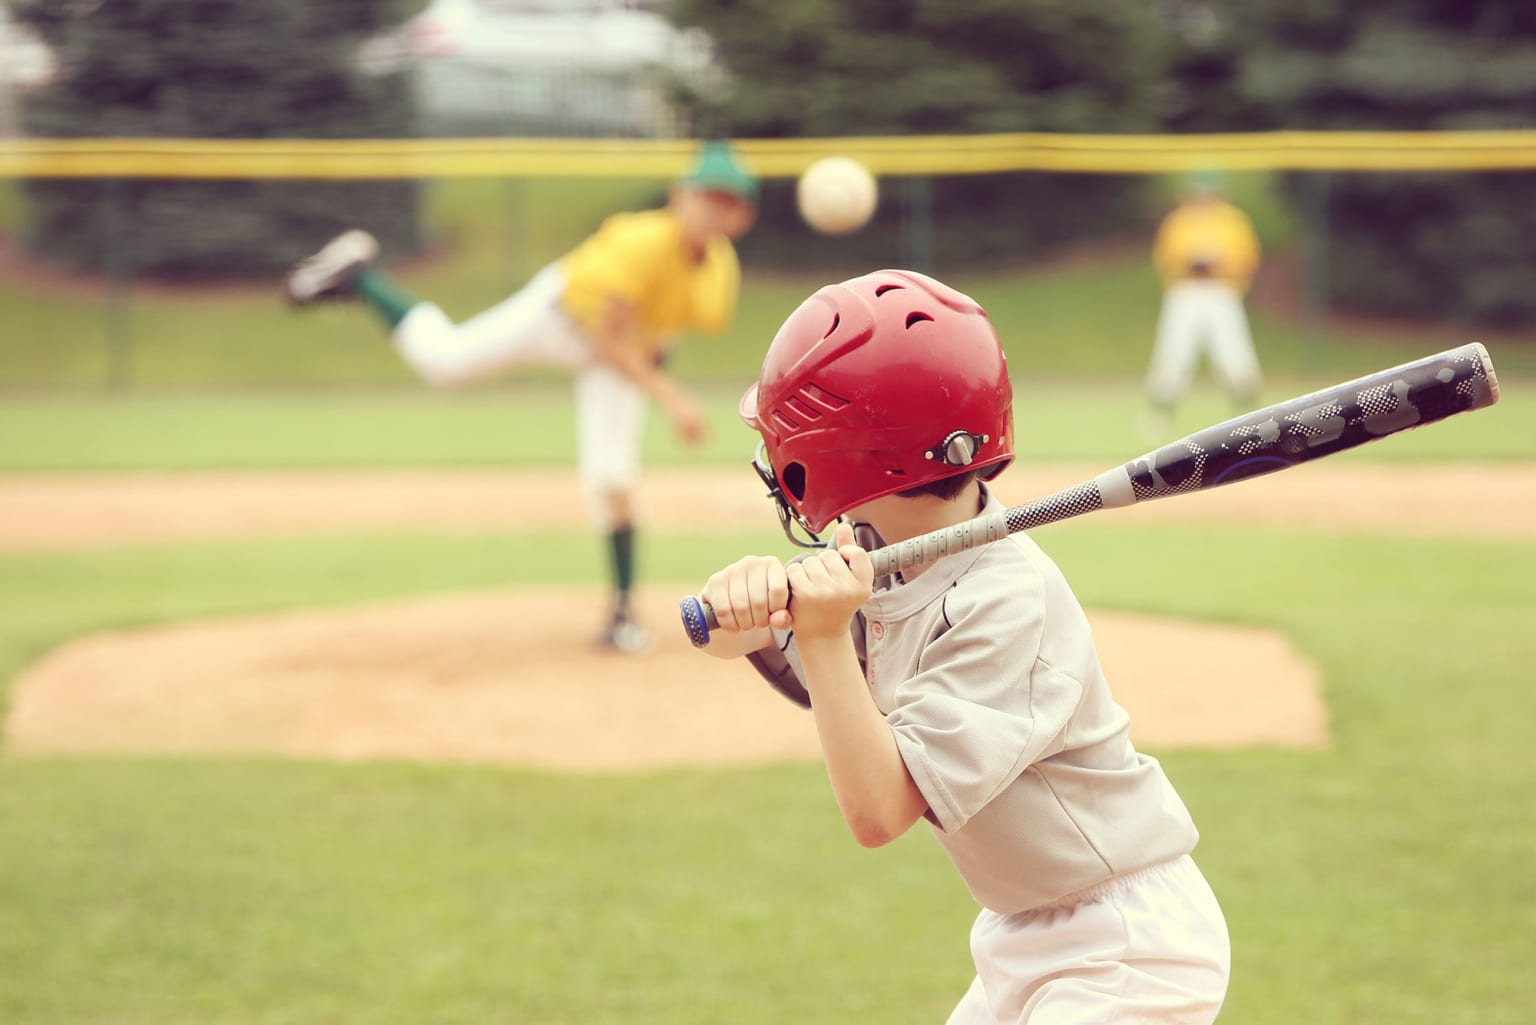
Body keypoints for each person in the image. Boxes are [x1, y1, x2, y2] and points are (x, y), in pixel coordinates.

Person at [696, 269, 1230, 1024]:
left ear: (846, 455)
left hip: (1125, 946)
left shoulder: (1007, 600)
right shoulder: (881, 554)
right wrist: (744, 614)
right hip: (1023, 931)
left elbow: (879, 810)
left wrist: (817, 634)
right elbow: (795, 664)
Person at [283, 140, 759, 653]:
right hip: (561, 317)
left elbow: (662, 329)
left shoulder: (719, 273)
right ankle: (360, 277)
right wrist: (671, 397)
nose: (714, 209)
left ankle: (621, 615)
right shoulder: (641, 241)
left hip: (620, 354)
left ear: (741, 217)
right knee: (446, 362)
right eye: (705, 196)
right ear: (678, 196)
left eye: (726, 202)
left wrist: (655, 377)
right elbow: (607, 338)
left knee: (613, 477)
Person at [1142, 169, 1263, 439]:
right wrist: (1190, 261)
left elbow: (1248, 259)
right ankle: (1159, 417)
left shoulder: (1234, 220)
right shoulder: (1178, 221)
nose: (1203, 197)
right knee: (1173, 355)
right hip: (1185, 292)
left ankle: (1251, 420)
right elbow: (1165, 259)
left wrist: (1220, 262)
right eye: (1198, 192)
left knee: (1235, 356)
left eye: (1208, 192)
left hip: (1222, 292)